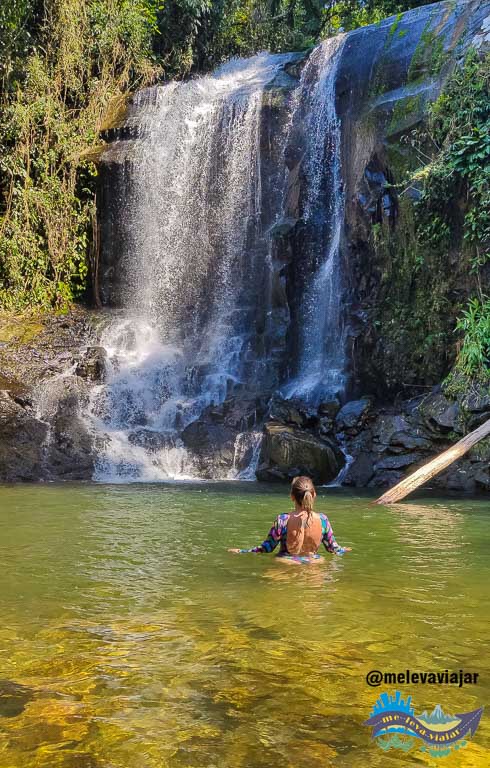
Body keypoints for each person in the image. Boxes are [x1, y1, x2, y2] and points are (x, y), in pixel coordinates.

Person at [228, 475, 351, 564]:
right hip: (314, 566)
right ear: (313, 495)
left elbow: (267, 548)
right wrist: (343, 550)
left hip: (286, 564)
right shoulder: (323, 520)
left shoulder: (283, 520)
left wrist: (242, 551)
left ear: (292, 496)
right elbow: (333, 549)